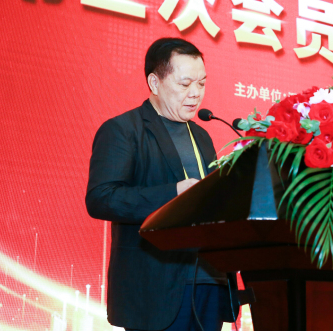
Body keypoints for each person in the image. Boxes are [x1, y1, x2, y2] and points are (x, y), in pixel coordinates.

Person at [85, 37, 238, 331]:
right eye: (185, 84)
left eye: (202, 83)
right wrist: (174, 193)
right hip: (156, 288)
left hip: (210, 280)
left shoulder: (202, 136)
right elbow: (102, 198)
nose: (196, 93)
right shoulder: (123, 130)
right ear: (154, 83)